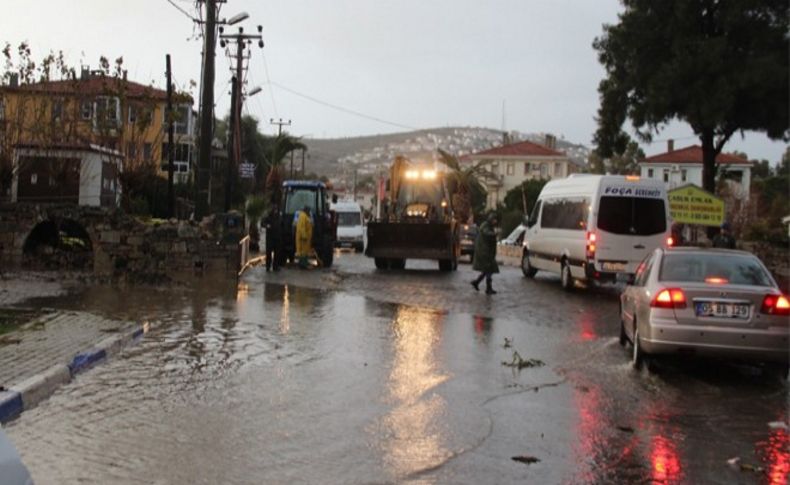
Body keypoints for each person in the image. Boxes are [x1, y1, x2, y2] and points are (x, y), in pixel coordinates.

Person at [471, 212, 500, 295]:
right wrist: (493, 234)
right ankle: (488, 288)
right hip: (484, 252)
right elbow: (486, 233)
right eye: (494, 220)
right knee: (489, 269)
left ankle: (477, 282)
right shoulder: (486, 226)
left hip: (487, 252)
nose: (495, 222)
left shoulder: (489, 226)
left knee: (488, 269)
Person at [263, 203, 282, 271]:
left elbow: (281, 225)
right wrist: (267, 226)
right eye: (274, 209)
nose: (275, 211)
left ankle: (275, 266)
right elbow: (263, 223)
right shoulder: (268, 217)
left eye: (276, 209)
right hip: (270, 237)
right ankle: (268, 266)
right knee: (269, 252)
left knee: (277, 253)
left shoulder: (279, 216)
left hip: (277, 237)